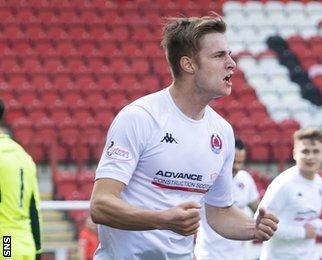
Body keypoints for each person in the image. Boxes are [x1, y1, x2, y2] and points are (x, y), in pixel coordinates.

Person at [89, 14, 278, 259]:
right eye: (219, 55)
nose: (232, 63)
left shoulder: (222, 132)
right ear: (188, 65)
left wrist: (254, 227)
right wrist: (161, 220)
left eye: (229, 54)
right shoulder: (140, 117)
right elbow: (100, 205)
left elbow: (219, 213)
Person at [257, 128, 322, 260]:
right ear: (294, 154)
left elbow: (307, 219)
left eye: (315, 152)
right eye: (305, 151)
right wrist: (302, 233)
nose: (310, 157)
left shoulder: (320, 183)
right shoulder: (283, 184)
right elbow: (261, 224)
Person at [195, 138, 261, 259]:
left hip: (237, 255)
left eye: (240, 162)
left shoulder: (245, 178)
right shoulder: (206, 180)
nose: (236, 166)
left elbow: (258, 208)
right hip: (209, 255)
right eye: (234, 162)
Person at [0, 98, 42, 259]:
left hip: (5, 244)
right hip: (26, 245)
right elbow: (34, 209)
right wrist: (37, 249)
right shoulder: (24, 156)